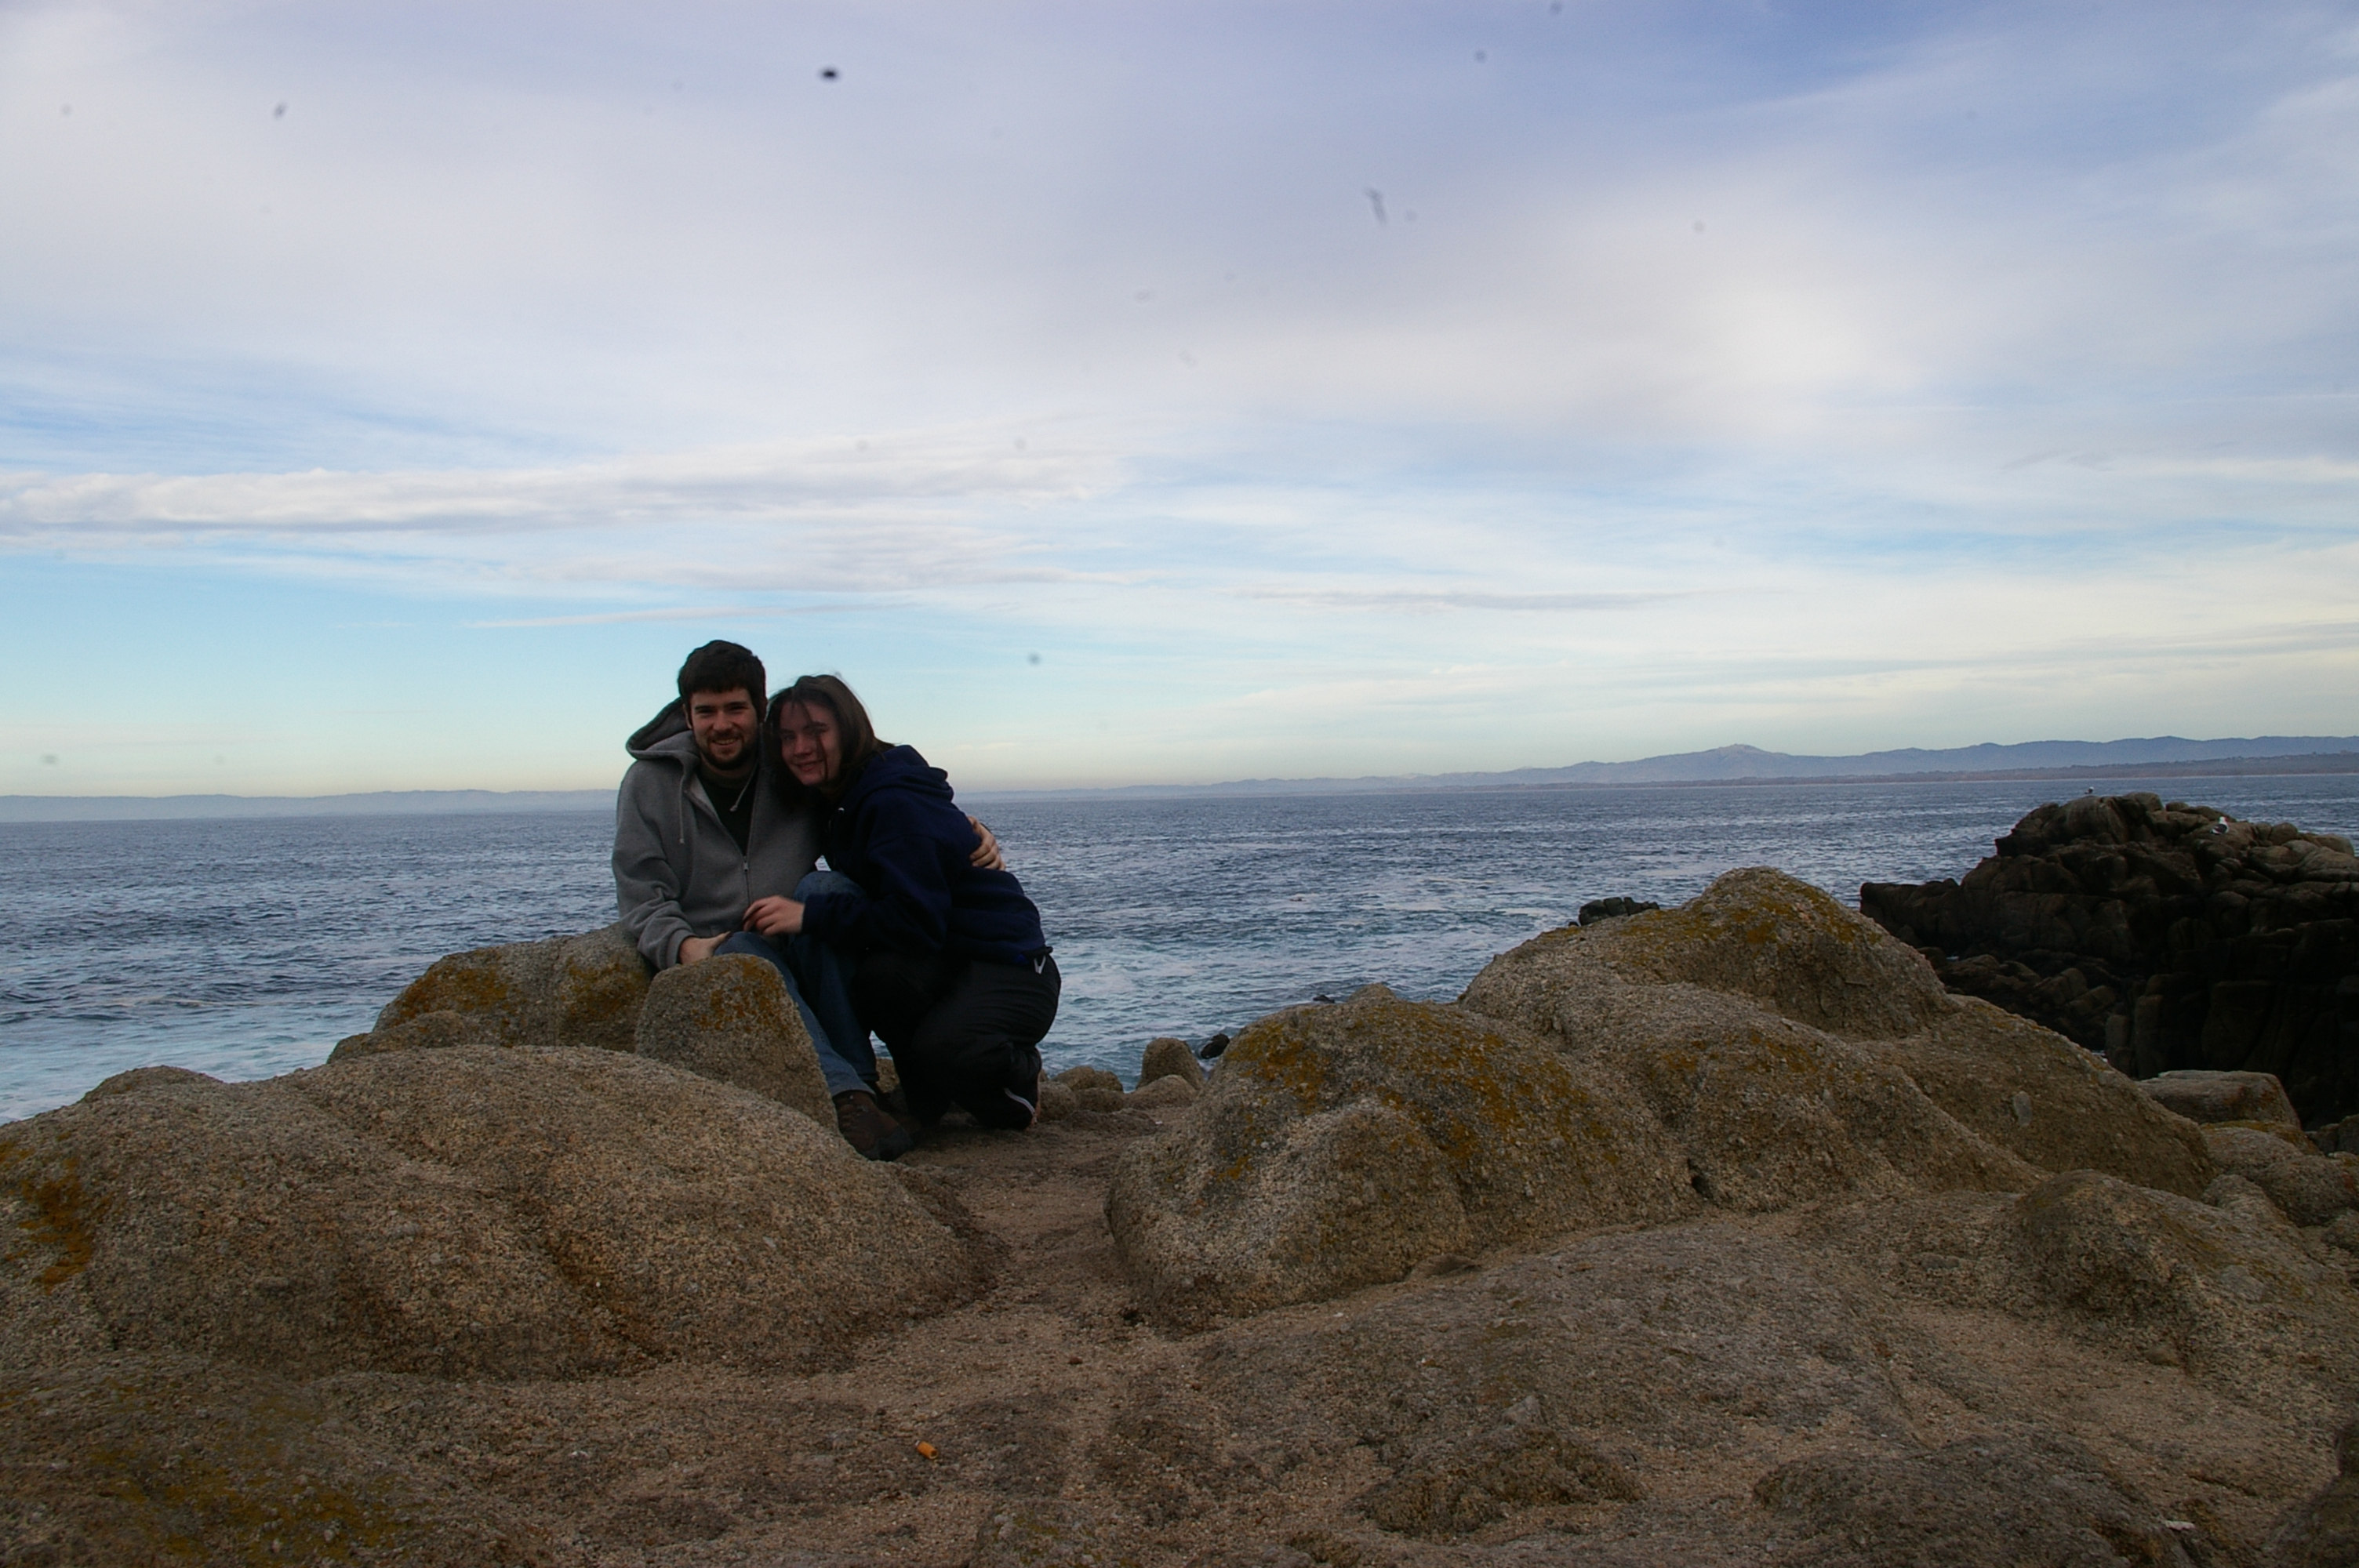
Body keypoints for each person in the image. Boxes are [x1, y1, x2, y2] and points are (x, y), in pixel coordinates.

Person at [612, 641, 1000, 1160]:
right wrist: (683, 947)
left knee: (827, 890)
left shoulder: (791, 763)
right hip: (723, 944)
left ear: (759, 709)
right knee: (741, 953)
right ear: (687, 715)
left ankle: (861, 1086)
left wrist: (964, 831)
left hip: (795, 930)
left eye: (735, 708)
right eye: (706, 711)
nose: (721, 724)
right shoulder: (649, 784)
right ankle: (850, 1096)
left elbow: (883, 775)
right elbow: (641, 892)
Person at [742, 673, 1059, 1134]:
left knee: (947, 1050)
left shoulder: (891, 800)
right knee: (879, 981)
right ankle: (924, 1099)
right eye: (787, 738)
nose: (801, 748)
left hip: (1010, 965)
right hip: (945, 955)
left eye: (817, 732)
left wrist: (809, 916)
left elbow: (916, 921)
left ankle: (1018, 1084)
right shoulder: (840, 797)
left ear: (849, 729)